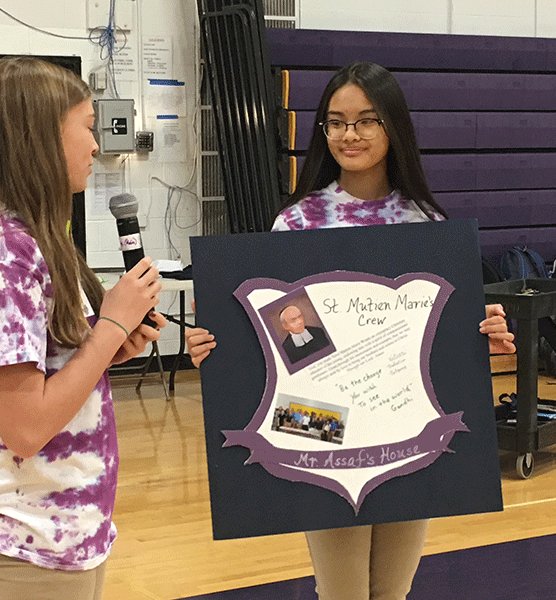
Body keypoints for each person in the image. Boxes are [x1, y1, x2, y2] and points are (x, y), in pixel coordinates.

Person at [185, 61, 515, 600]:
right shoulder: (295, 224)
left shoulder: (427, 225)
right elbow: (282, 340)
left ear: (393, 127)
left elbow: (441, 340)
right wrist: (220, 351)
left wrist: (484, 332)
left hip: (405, 428)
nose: (349, 135)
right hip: (323, 430)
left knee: (391, 593)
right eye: (336, 122)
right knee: (341, 594)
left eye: (366, 120)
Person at [0, 56, 168, 600]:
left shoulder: (29, 236)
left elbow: (48, 371)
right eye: (86, 127)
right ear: (39, 137)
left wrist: (106, 347)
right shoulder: (4, 253)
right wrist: (110, 326)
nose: (95, 145)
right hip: (33, 524)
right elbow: (27, 427)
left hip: (58, 517)